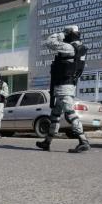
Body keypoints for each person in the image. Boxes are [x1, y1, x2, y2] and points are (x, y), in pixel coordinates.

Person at [36, 25, 91, 153]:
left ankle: (83, 141)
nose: (64, 35)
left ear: (70, 34)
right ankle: (47, 141)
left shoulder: (70, 47)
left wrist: (61, 35)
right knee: (55, 114)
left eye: (66, 33)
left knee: (69, 113)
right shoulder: (80, 48)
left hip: (64, 86)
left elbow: (50, 42)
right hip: (67, 85)